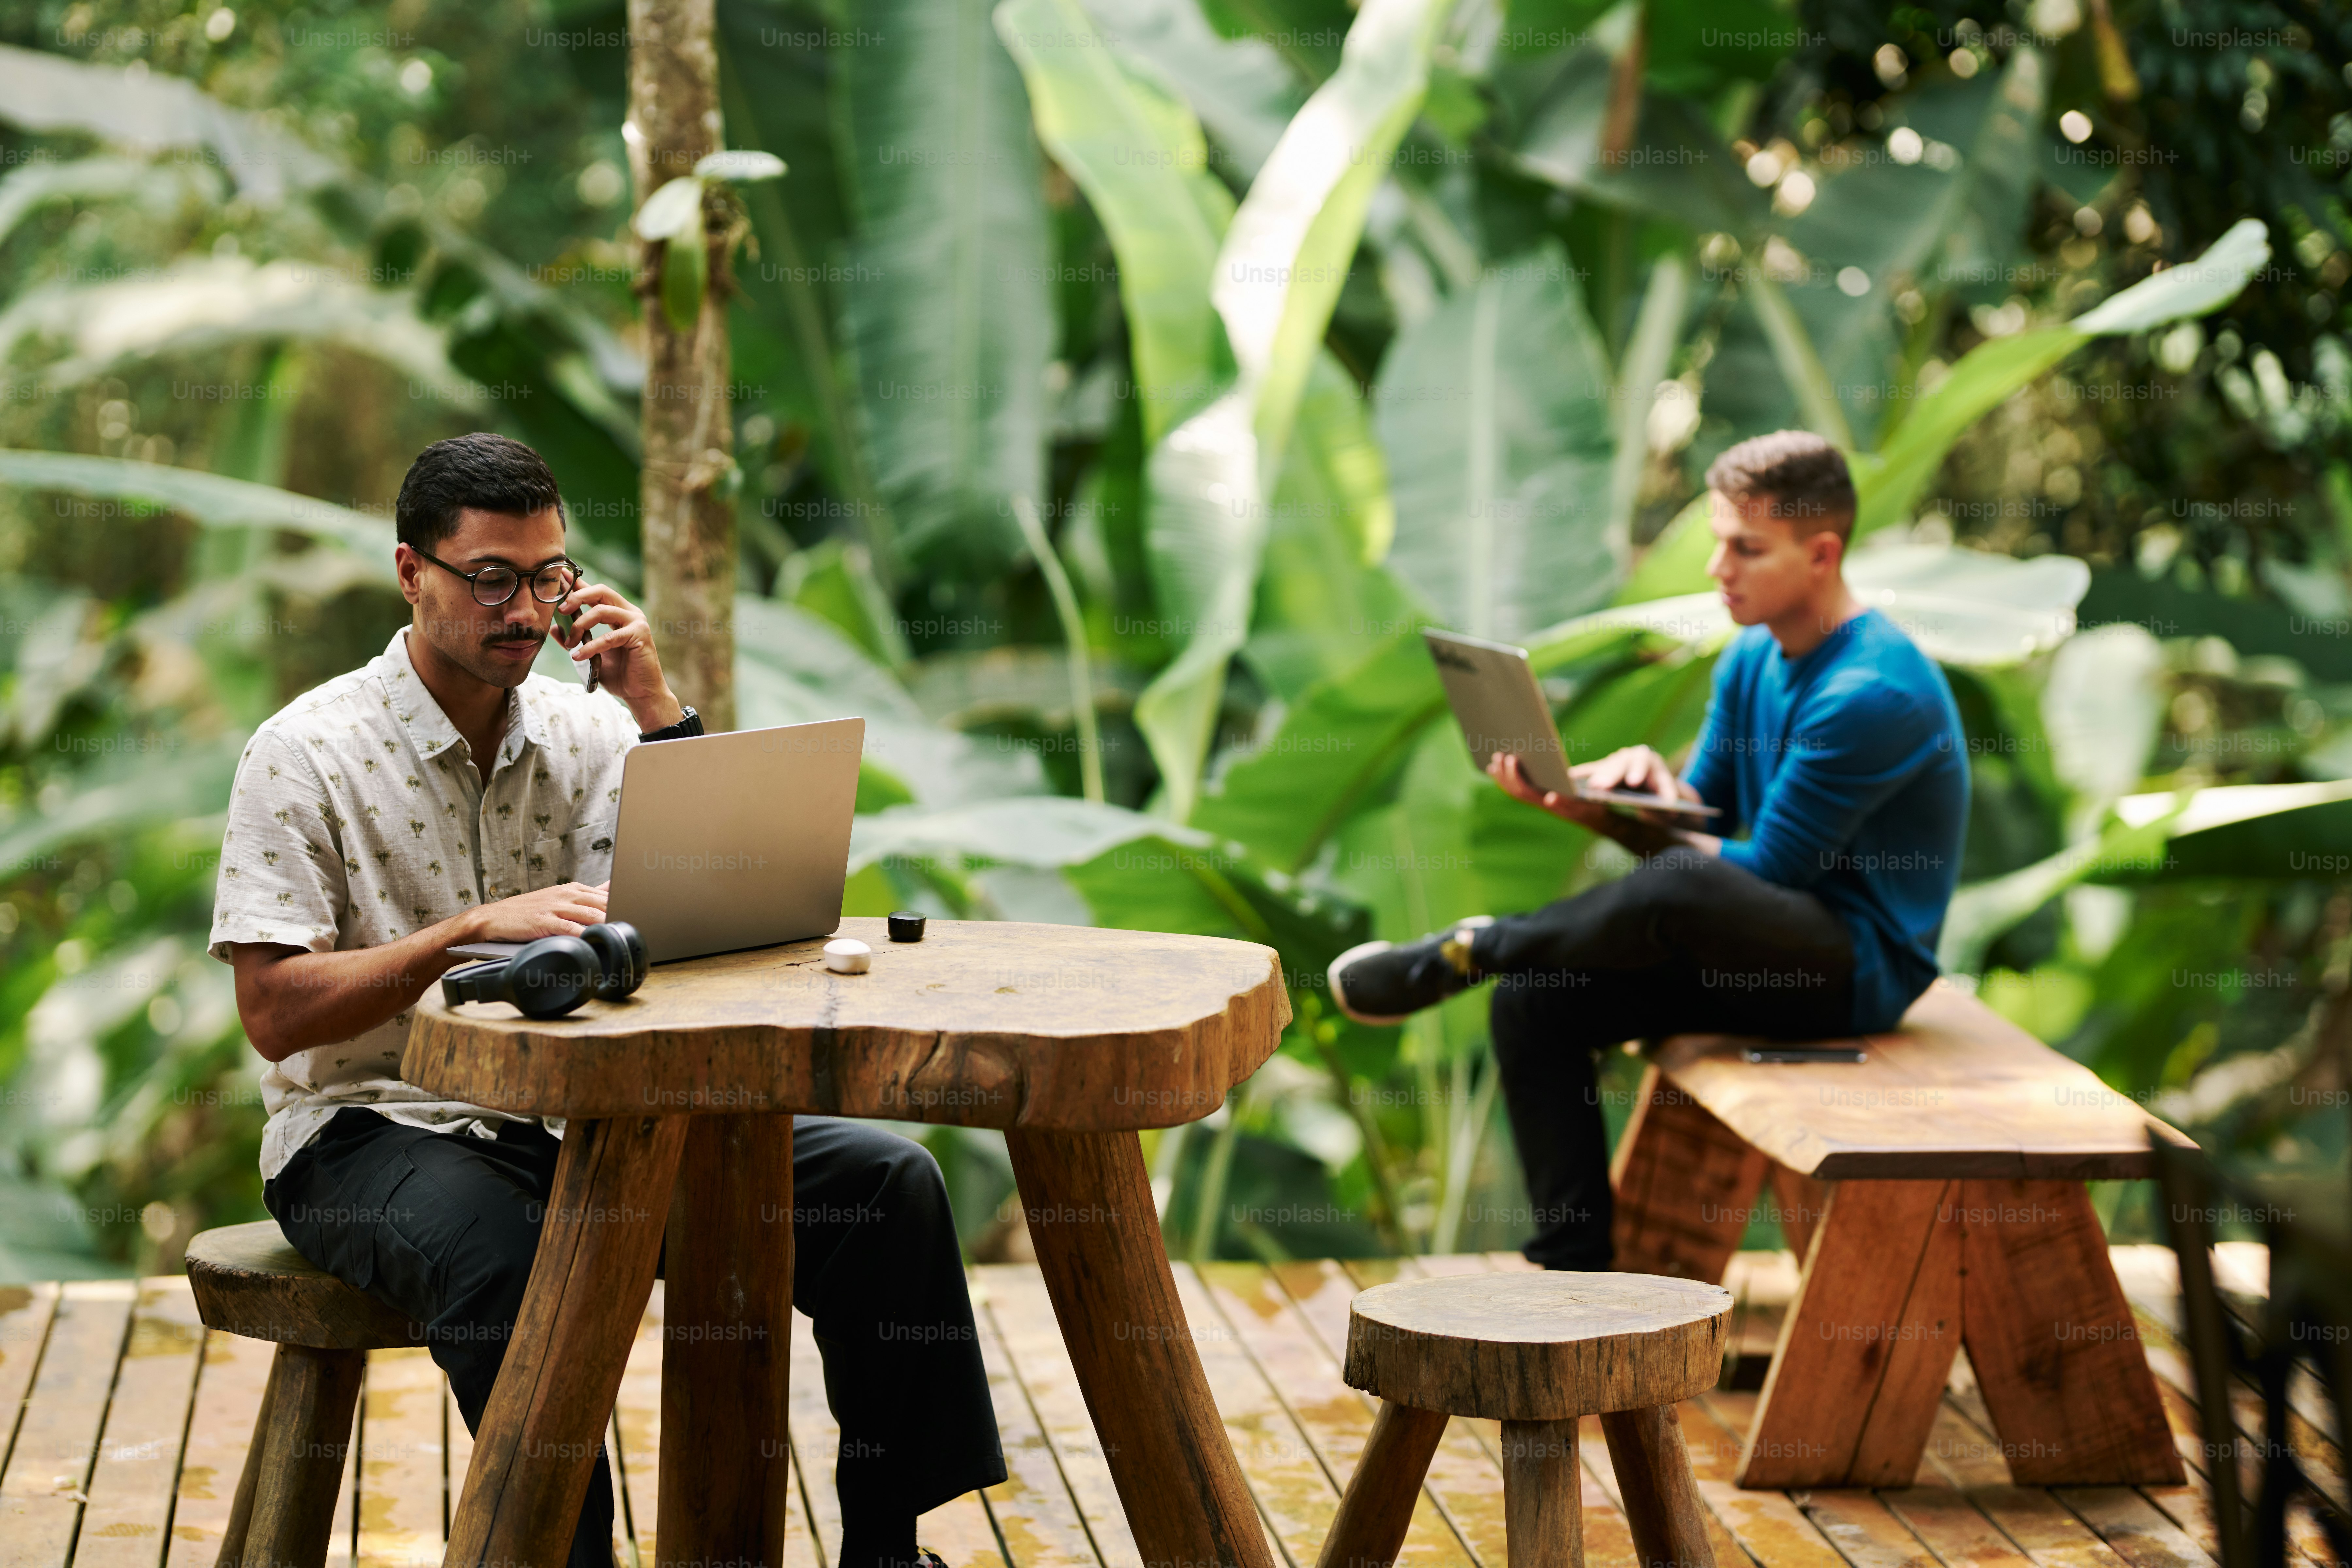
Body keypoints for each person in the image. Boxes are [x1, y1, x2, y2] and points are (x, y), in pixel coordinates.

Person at [209, 432, 1003, 1568]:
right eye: (490, 577)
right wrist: (462, 936)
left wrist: (660, 708)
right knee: (515, 1255)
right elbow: (276, 1014)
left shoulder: (597, 731)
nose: (524, 608)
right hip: (371, 1127)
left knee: (886, 1186)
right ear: (409, 573)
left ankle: (884, 1552)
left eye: (548, 577)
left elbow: (728, 911)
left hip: (595, 1121)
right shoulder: (304, 753)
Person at [1328, 430, 1969, 1271]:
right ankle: (1572, 1268)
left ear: (1822, 554)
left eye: (1747, 548)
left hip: (1855, 974)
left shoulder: (1870, 693)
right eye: (1718, 542)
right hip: (1752, 943)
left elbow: (1760, 870)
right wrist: (1596, 801)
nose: (1718, 569)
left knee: (1675, 887)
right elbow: (1701, 827)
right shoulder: (1752, 657)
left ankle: (1471, 948)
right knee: (1535, 1000)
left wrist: (1664, 835)